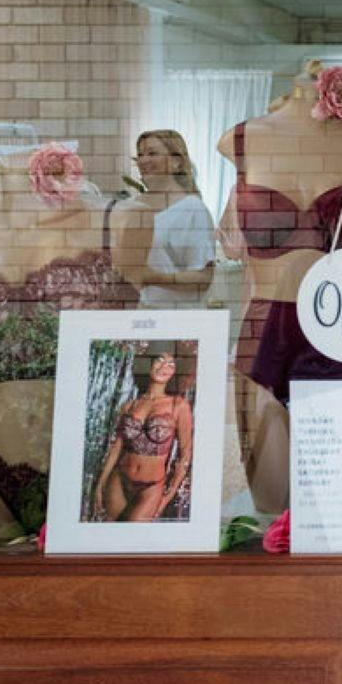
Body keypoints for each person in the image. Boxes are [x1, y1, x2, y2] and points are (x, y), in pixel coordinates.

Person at [92, 349, 195, 522]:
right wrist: (101, 481)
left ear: (176, 372)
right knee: (112, 540)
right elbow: (117, 447)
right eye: (160, 360)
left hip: (151, 487)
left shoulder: (178, 406)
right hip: (119, 479)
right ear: (148, 364)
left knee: (136, 541)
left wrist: (168, 496)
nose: (164, 367)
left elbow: (185, 454)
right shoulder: (130, 405)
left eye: (171, 365)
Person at [131, 129, 216, 308]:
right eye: (140, 154)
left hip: (179, 323)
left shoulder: (192, 209)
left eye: (152, 153)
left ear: (176, 162)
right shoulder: (130, 207)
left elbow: (203, 278)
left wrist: (154, 278)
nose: (143, 160)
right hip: (136, 321)